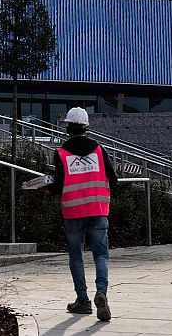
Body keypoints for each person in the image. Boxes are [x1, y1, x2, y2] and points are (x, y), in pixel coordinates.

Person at [46, 106, 115, 320]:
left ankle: (83, 301)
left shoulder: (61, 153)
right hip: (98, 210)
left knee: (76, 256)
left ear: (68, 127)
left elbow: (58, 186)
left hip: (73, 211)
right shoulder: (99, 150)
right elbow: (113, 179)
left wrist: (44, 188)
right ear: (86, 127)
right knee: (101, 255)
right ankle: (101, 293)